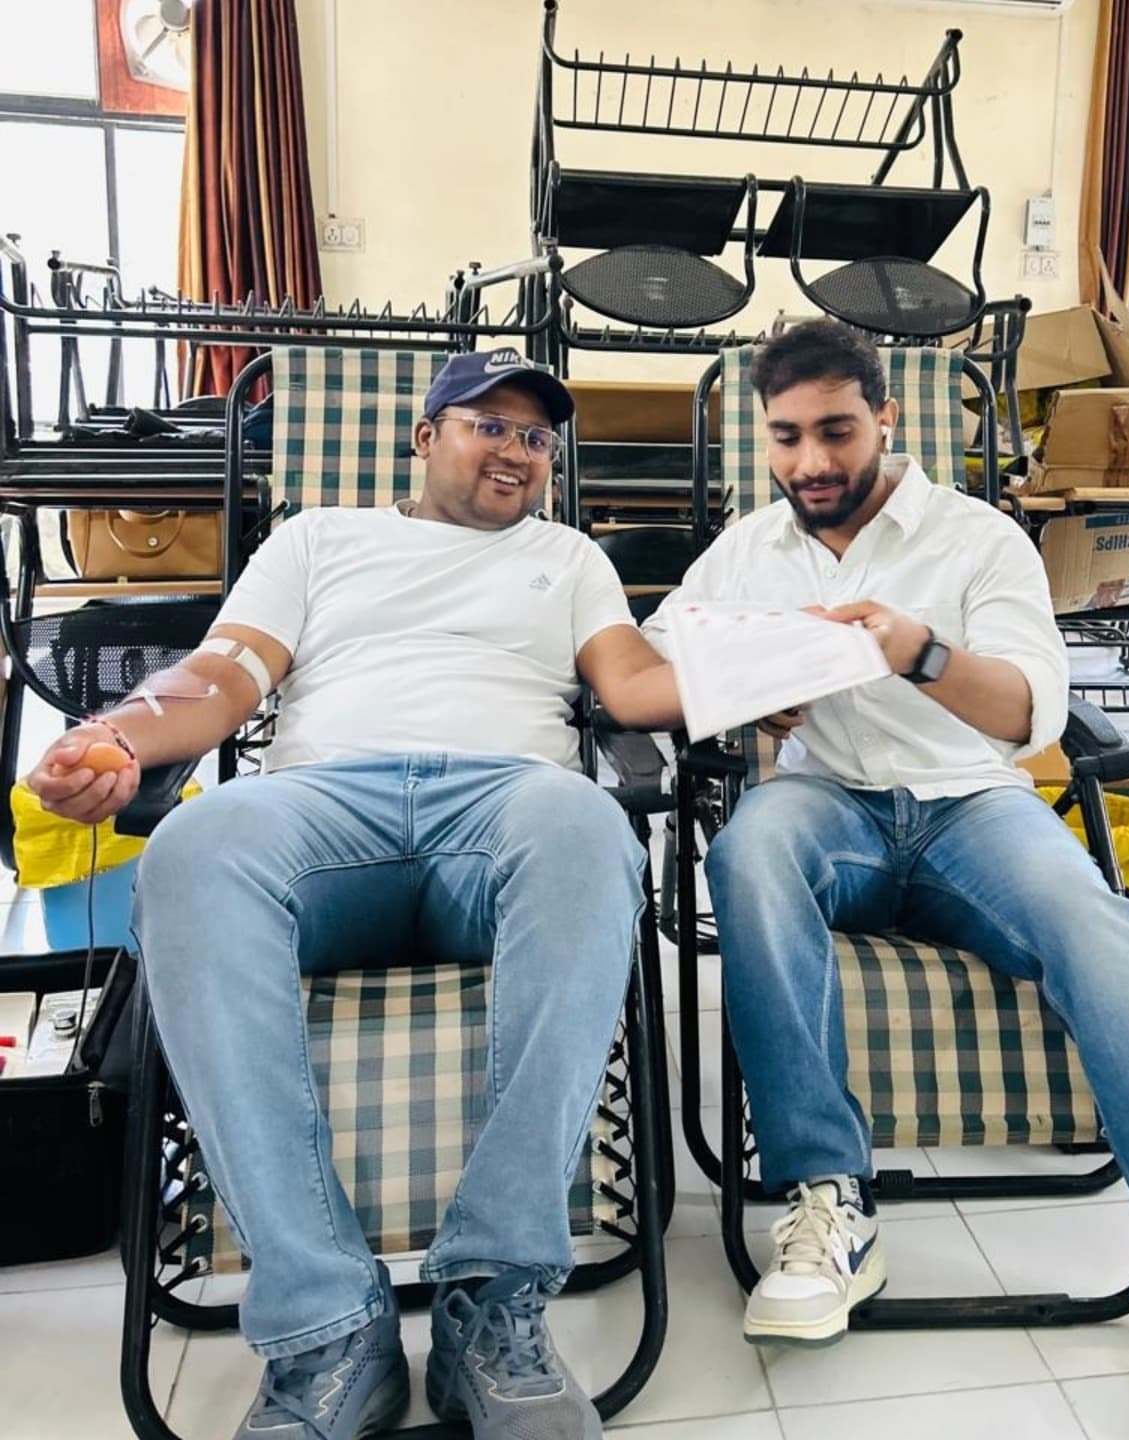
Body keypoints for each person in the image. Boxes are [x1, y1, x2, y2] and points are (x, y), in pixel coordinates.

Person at [644, 321, 1129, 1440]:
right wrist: (741, 695)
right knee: (747, 851)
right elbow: (662, 662)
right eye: (787, 438)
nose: (811, 462)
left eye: (836, 431)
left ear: (886, 418)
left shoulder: (979, 539)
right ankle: (829, 1198)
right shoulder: (748, 550)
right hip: (827, 801)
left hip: (970, 806)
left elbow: (1031, 714)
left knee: (1098, 919)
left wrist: (917, 652)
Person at [30, 348, 683, 1440]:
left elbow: (634, 682)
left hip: (504, 806)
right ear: (425, 438)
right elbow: (221, 673)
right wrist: (121, 734)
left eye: (535, 438)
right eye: (489, 426)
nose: (517, 451)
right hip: (323, 806)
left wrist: (774, 672)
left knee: (588, 825)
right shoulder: (318, 539)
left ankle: (494, 1301)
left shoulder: (570, 556)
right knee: (193, 845)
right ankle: (326, 1328)